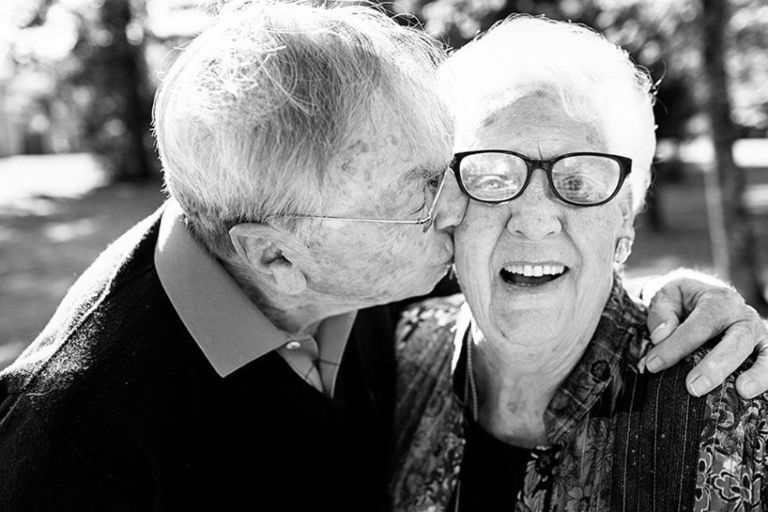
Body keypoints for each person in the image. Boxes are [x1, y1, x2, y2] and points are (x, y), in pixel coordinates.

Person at [0, 3, 763, 511]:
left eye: (450, 167)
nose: (462, 207)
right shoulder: (69, 451)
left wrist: (664, 296)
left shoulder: (371, 284)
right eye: (425, 190)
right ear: (278, 260)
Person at [389, 15, 768, 512]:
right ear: (450, 205)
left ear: (624, 218)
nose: (535, 221)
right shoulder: (406, 348)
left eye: (577, 182)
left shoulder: (733, 407)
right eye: (494, 177)